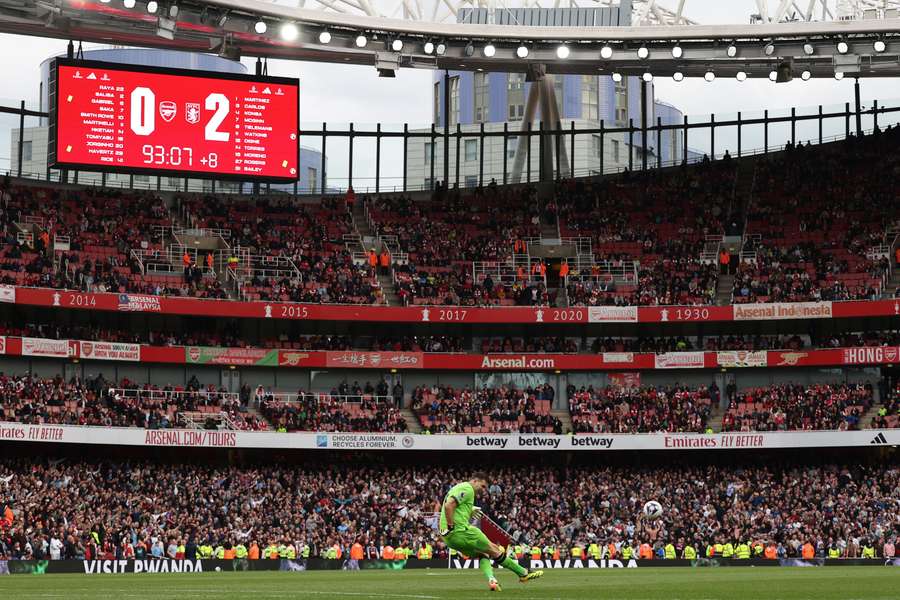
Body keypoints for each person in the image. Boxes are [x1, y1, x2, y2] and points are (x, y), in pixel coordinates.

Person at [439, 472, 543, 592]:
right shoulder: (467, 488)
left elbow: (453, 506)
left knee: (483, 554)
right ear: (475, 481)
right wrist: (451, 525)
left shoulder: (458, 487)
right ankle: (523, 573)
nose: (483, 490)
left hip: (449, 539)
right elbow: (448, 505)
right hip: (460, 531)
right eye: (482, 486)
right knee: (494, 549)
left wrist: (469, 510)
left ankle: (492, 580)